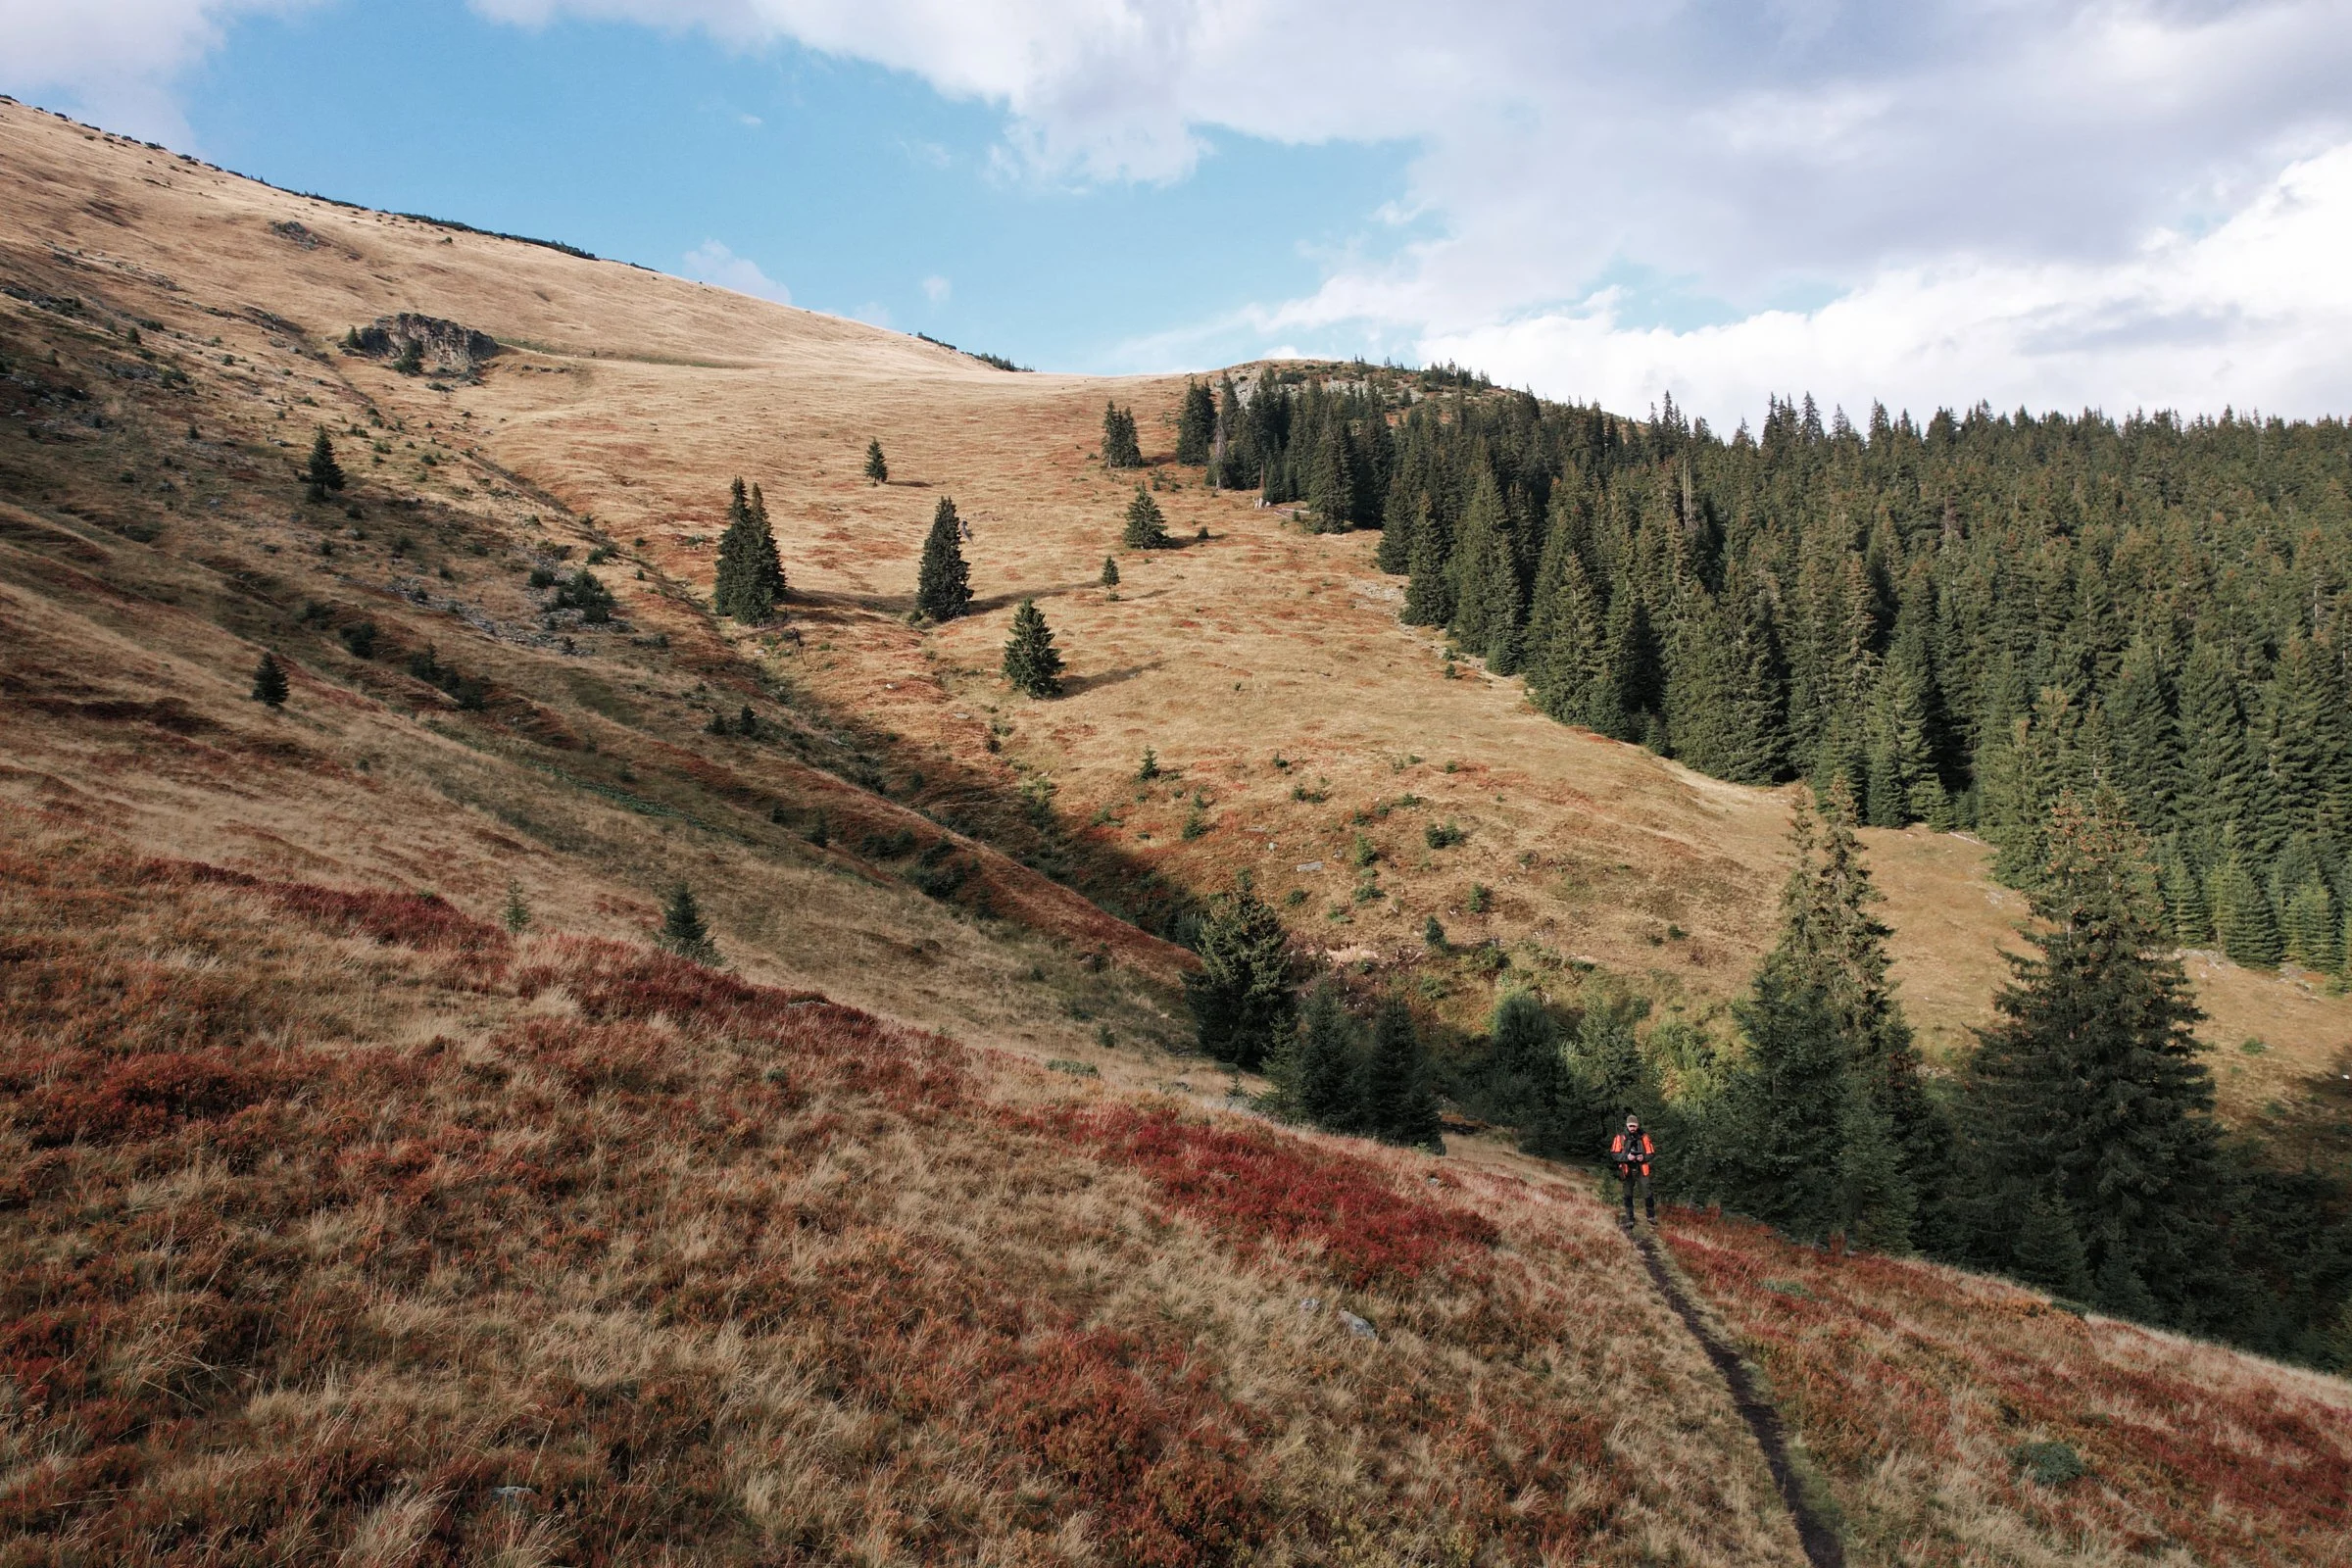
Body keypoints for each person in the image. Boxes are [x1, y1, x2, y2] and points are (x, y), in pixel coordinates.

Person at [1610, 1114, 1655, 1223]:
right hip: (1627, 1169)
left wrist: (1643, 1158)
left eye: (1634, 1126)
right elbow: (1614, 1154)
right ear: (1627, 1125)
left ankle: (1651, 1217)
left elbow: (1651, 1153)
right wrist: (1627, 1157)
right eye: (1630, 1126)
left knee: (1647, 1192)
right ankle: (1630, 1218)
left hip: (1641, 1168)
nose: (1632, 1128)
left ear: (1638, 1125)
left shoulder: (1644, 1137)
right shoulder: (1620, 1138)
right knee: (1627, 1193)